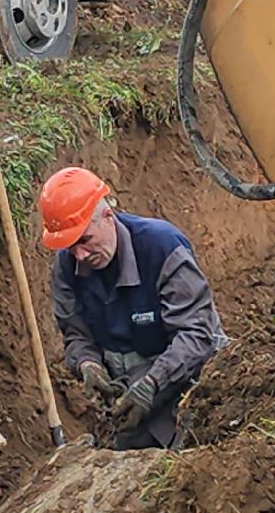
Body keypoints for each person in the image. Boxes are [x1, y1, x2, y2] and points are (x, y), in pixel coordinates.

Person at [43, 166, 225, 449]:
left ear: (108, 216)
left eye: (85, 240)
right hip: (134, 395)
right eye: (70, 246)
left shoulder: (162, 248)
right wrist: (88, 365)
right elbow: (76, 335)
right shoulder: (67, 266)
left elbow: (198, 334)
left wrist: (154, 383)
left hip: (192, 383)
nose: (80, 254)